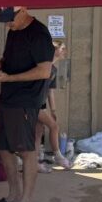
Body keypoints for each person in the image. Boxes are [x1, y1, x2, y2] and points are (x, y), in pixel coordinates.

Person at [0, 6, 54, 202]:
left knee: (25, 150)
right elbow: (10, 59)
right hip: (7, 97)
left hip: (25, 99)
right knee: (3, 147)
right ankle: (13, 196)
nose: (8, 24)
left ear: (23, 10)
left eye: (10, 19)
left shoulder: (39, 34)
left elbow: (44, 71)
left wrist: (10, 78)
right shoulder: (14, 32)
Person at [35, 40, 73, 172]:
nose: (64, 51)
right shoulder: (42, 66)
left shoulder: (54, 69)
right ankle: (58, 156)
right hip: (32, 103)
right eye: (62, 49)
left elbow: (50, 91)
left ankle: (35, 162)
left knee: (38, 132)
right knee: (54, 126)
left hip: (41, 104)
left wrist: (53, 110)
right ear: (54, 50)